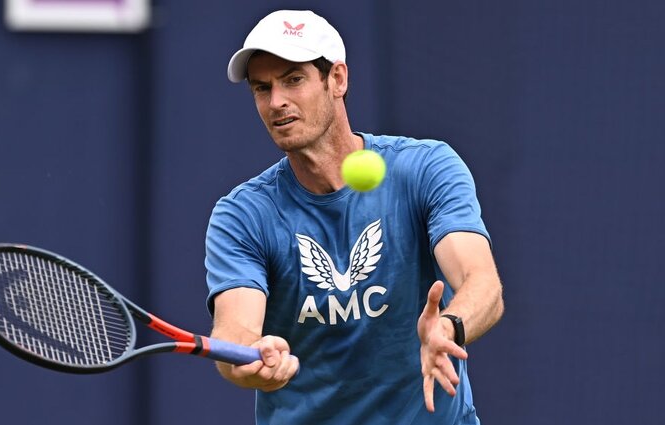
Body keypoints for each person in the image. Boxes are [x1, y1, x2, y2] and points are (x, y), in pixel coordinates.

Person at [205, 9, 504, 424]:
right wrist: (252, 357)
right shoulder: (242, 215)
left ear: (337, 79)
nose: (276, 102)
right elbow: (234, 329)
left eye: (294, 79)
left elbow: (482, 283)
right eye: (262, 88)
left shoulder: (427, 168)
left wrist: (449, 326)